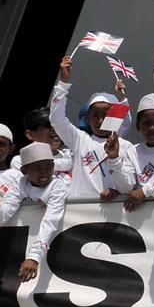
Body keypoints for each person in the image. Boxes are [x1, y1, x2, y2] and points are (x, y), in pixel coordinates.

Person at [51, 56, 132, 199]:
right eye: (95, 116)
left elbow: (127, 187)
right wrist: (63, 82)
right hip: (78, 214)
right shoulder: (79, 140)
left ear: (115, 116)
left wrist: (117, 190)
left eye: (105, 115)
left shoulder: (127, 147)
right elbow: (57, 119)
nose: (100, 120)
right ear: (88, 118)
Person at [0, 142, 69, 282]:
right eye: (37, 168)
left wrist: (34, 257)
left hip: (57, 247)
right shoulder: (20, 184)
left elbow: (51, 221)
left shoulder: (58, 185)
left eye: (48, 167)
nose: (44, 172)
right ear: (24, 170)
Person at [12, 107, 73, 182]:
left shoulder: (70, 157)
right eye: (50, 127)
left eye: (58, 126)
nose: (56, 131)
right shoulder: (21, 161)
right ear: (30, 134)